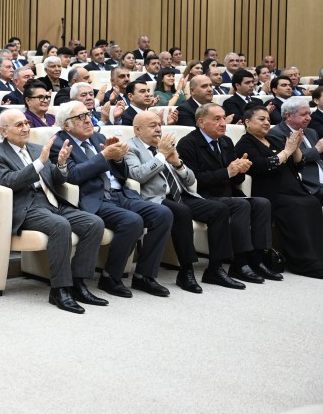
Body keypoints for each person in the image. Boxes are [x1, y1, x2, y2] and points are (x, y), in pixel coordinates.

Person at [0, 110, 107, 313]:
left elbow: (57, 180)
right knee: (60, 225)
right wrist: (39, 163)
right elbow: (8, 182)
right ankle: (59, 290)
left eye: (26, 123)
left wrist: (61, 165)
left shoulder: (36, 148)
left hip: (53, 202)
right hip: (28, 207)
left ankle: (78, 283)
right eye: (19, 125)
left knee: (94, 223)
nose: (26, 128)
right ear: (4, 131)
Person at [51, 101, 173, 298]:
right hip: (94, 198)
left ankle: (144, 275)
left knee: (163, 213)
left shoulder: (98, 137)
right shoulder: (58, 143)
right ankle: (110, 277)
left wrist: (118, 158)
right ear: (67, 125)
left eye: (88, 114)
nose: (88, 120)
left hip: (121, 194)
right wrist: (103, 156)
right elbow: (72, 175)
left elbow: (122, 173)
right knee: (132, 221)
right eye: (81, 117)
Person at [125, 111, 243, 292]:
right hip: (156, 199)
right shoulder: (130, 148)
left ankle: (215, 268)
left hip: (182, 195)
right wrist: (161, 155)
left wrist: (177, 164)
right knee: (182, 212)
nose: (158, 129)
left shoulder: (164, 146)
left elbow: (190, 180)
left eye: (159, 125)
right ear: (137, 129)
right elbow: (137, 175)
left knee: (219, 209)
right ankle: (186, 270)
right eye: (152, 126)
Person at [176, 103, 279, 282]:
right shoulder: (188, 143)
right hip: (202, 196)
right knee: (240, 205)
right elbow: (192, 180)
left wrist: (241, 171)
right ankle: (239, 262)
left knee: (262, 203)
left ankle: (257, 259)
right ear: (201, 122)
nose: (223, 123)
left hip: (226, 193)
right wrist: (227, 172)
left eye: (224, 118)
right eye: (217, 119)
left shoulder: (226, 141)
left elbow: (235, 180)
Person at [234, 106, 323, 278]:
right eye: (261, 119)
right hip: (271, 191)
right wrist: (287, 151)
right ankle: (304, 263)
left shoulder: (272, 139)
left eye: (268, 119)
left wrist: (295, 147)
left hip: (293, 188)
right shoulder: (245, 143)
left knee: (312, 202)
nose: (267, 122)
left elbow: (297, 165)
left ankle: (318, 258)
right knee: (296, 206)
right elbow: (264, 166)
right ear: (247, 122)